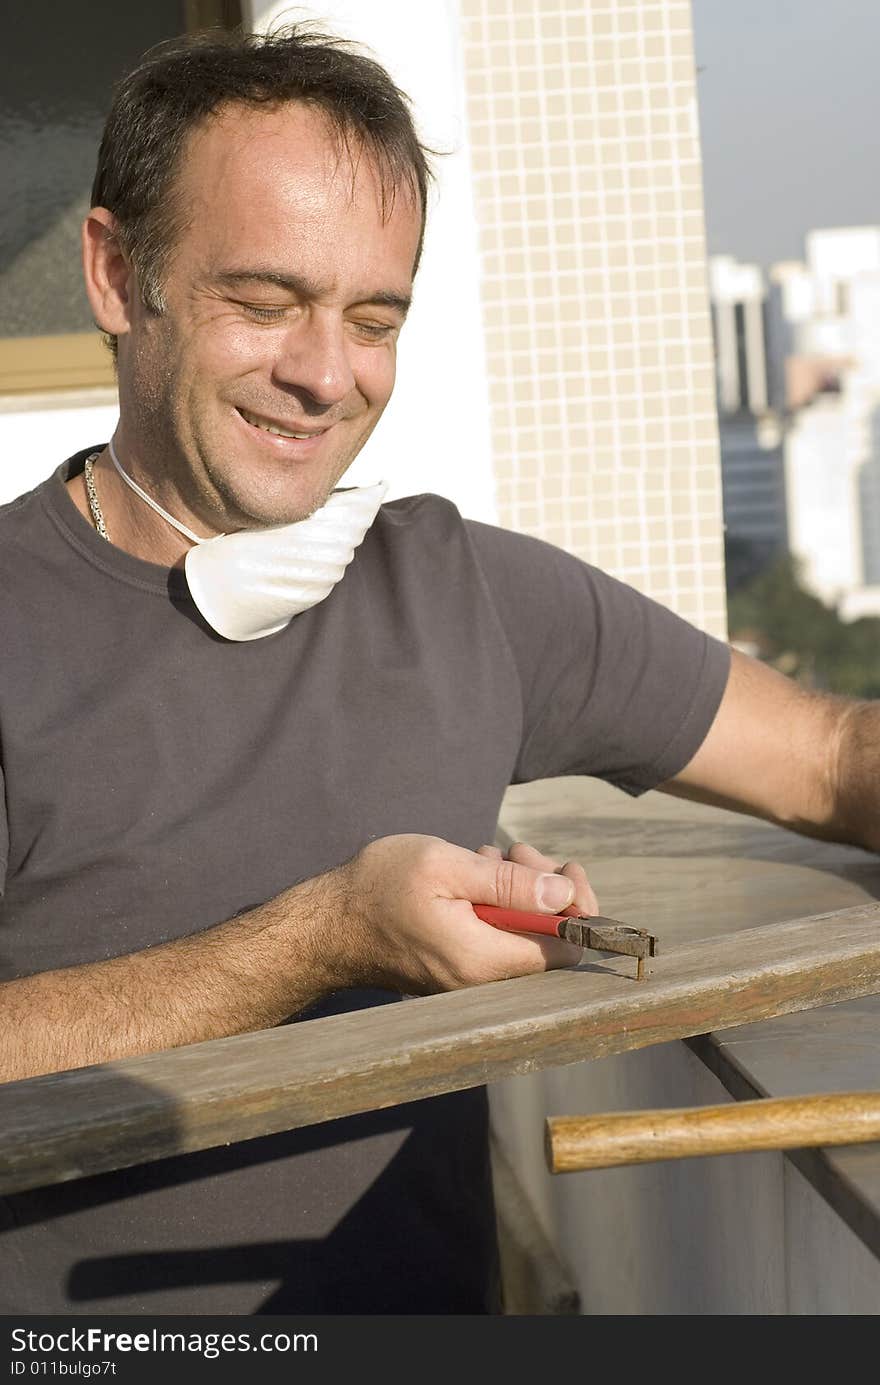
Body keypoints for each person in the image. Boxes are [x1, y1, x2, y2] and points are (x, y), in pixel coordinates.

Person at [0, 25, 875, 1316]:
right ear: (121, 272)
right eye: (265, 301)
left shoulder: (464, 590)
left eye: (374, 319)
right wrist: (321, 934)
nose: (324, 374)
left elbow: (826, 756)